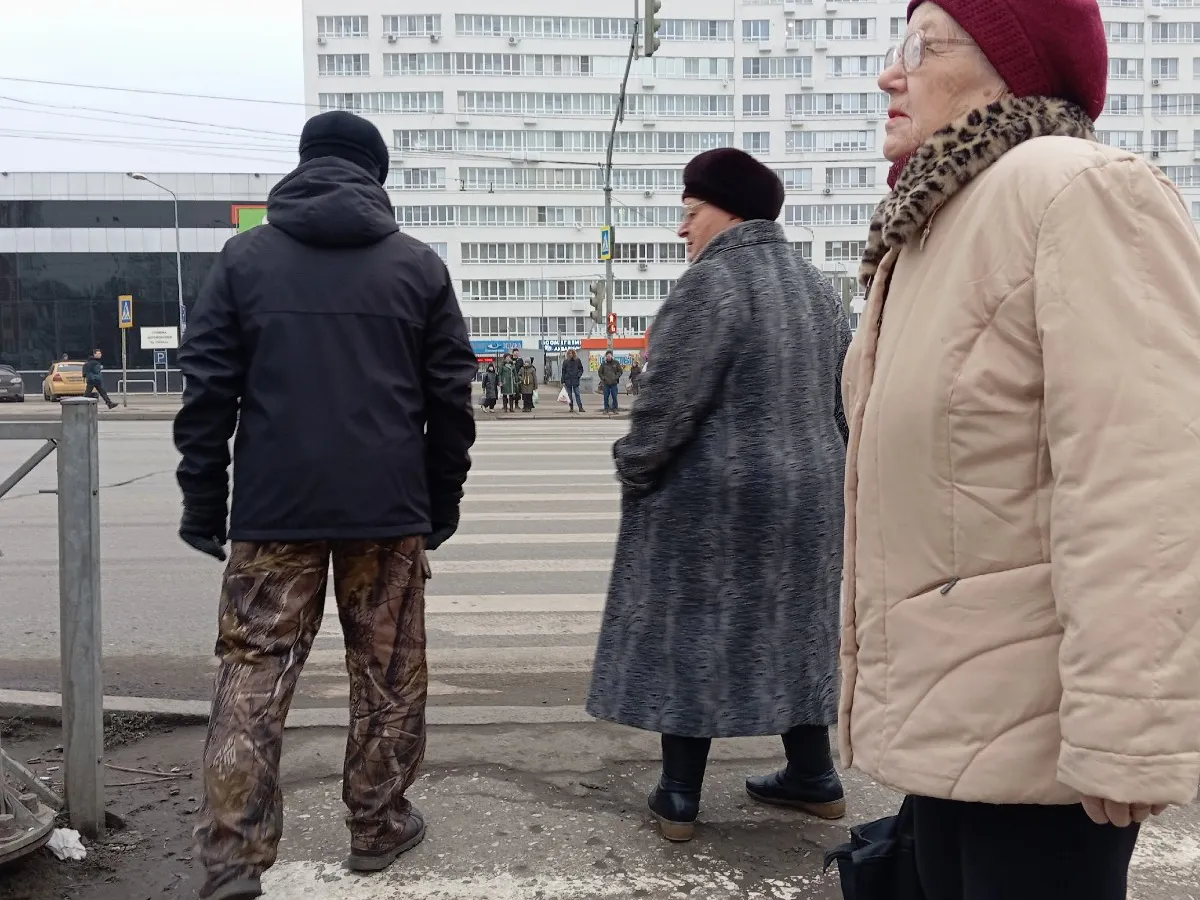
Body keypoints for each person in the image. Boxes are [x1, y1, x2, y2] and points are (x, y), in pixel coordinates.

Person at [841, 3, 1200, 899]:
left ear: (1012, 64)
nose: (891, 73)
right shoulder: (936, 225)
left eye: (921, 47)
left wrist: (1128, 726)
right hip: (955, 715)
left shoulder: (1077, 189)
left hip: (1045, 747)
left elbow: (1143, 475)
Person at [173, 110, 477, 900]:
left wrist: (204, 501)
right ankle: (377, 825)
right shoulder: (416, 266)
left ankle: (231, 859)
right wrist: (440, 500)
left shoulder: (245, 260)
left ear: (303, 164)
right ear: (376, 175)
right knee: (388, 674)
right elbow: (450, 398)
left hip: (275, 510)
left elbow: (207, 391)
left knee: (253, 672)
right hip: (387, 507)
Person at [587, 147, 851, 842]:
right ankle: (815, 776)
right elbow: (846, 400)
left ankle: (678, 796)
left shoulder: (713, 282)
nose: (683, 228)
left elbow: (669, 402)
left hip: (715, 497)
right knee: (798, 631)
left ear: (728, 210)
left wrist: (634, 465)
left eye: (691, 211)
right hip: (811, 494)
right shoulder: (818, 287)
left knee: (693, 630)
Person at [562, 349, 584, 413]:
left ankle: (580, 407)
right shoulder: (565, 361)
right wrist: (563, 380)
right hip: (568, 380)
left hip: (575, 380)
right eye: (569, 353)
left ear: (574, 354)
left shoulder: (577, 360)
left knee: (577, 394)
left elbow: (581, 369)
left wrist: (578, 375)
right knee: (569, 395)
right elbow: (563, 371)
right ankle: (571, 407)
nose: (570, 354)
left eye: (572, 353)